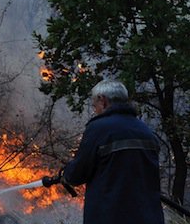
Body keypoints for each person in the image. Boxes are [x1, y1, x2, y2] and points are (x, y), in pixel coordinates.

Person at [61, 79, 164, 224]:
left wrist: (65, 174)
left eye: (94, 106)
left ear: (102, 101)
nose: (95, 110)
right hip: (149, 217)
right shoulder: (145, 131)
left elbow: (77, 174)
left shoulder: (99, 129)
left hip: (110, 216)